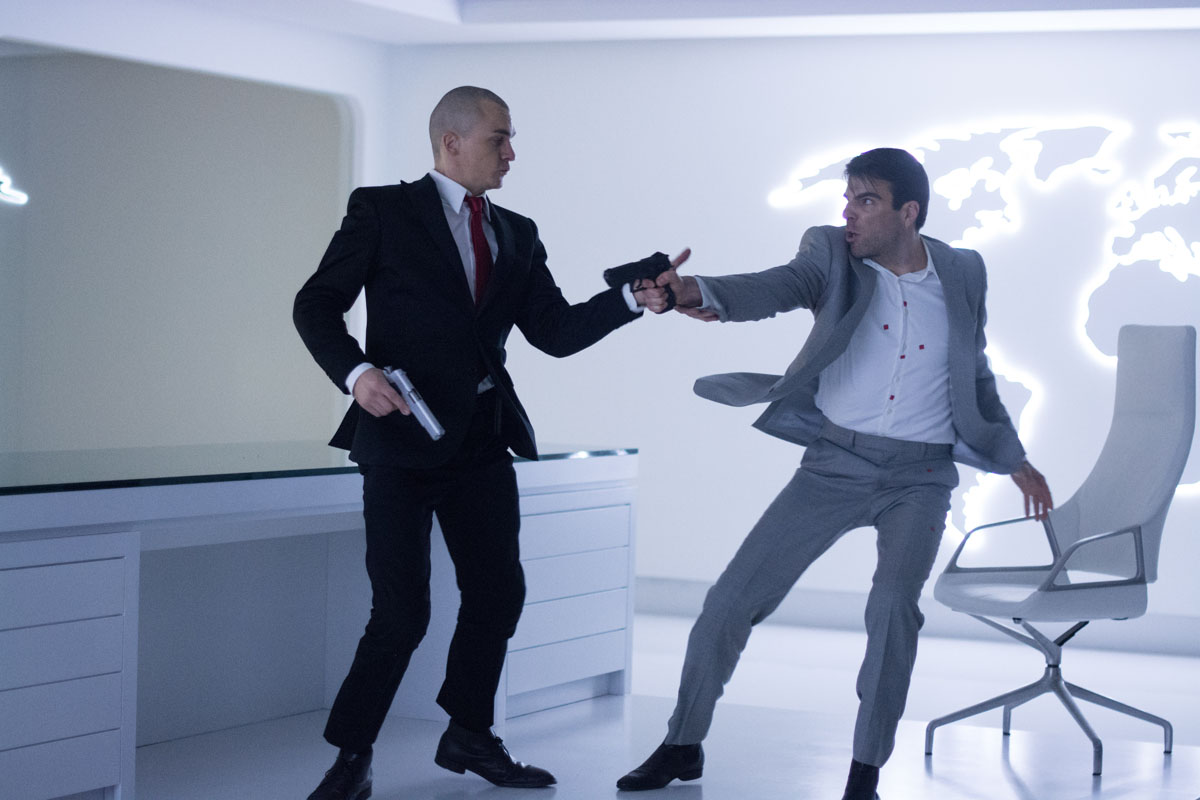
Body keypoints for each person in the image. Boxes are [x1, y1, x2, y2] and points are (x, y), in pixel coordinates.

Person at [615, 148, 1053, 800]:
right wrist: (690, 291)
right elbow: (771, 287)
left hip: (920, 476)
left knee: (892, 609)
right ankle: (682, 745)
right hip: (833, 464)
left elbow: (974, 371)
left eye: (866, 201)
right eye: (847, 199)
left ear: (909, 212)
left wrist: (1012, 458)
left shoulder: (963, 271)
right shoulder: (830, 254)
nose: (849, 213)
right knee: (728, 603)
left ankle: (863, 774)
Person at [294, 85, 684, 800]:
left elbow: (555, 333)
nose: (510, 154)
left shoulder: (518, 233)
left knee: (499, 593)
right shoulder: (383, 211)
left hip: (481, 440)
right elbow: (315, 303)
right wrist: (356, 373)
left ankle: (469, 733)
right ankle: (352, 757)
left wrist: (633, 297)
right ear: (452, 142)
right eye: (498, 139)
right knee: (401, 613)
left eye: (511, 140)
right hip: (399, 440)